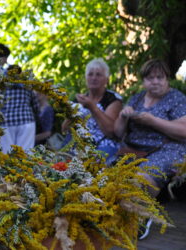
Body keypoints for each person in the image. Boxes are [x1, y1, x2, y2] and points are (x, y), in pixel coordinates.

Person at [114, 59, 186, 240]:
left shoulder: (176, 98)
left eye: (160, 77)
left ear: (167, 79)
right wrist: (123, 117)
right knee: (109, 178)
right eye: (150, 77)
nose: (155, 81)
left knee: (141, 178)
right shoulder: (136, 98)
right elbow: (117, 132)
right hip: (133, 150)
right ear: (143, 81)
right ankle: (116, 216)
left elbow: (184, 132)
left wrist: (153, 121)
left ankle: (141, 215)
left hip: (166, 148)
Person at [62, 58, 122, 158]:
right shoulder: (79, 100)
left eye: (98, 75)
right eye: (90, 74)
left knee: (92, 165)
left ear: (106, 79)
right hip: (79, 144)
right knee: (59, 163)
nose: (94, 78)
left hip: (104, 145)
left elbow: (111, 131)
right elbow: (64, 129)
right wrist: (72, 114)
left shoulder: (113, 99)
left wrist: (92, 107)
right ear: (86, 78)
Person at [0, 64, 40, 153]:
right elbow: (36, 106)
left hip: (6, 122)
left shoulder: (1, 87)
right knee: (26, 153)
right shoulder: (28, 86)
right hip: (26, 121)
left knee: (7, 153)